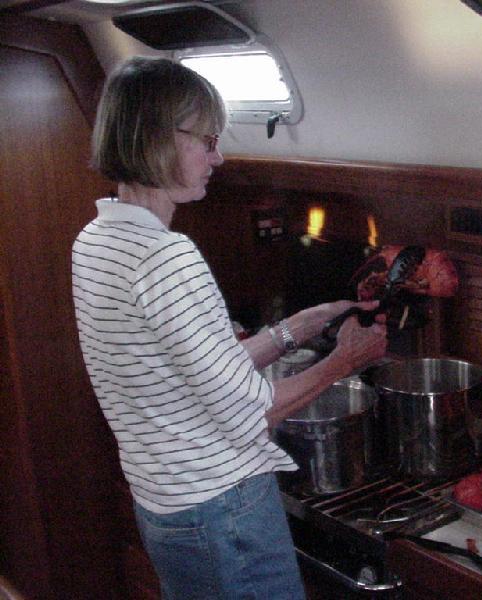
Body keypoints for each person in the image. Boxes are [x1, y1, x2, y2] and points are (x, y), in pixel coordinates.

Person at [71, 56, 387, 600]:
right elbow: (252, 413)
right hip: (223, 511)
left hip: (167, 506)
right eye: (208, 140)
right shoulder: (167, 257)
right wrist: (345, 361)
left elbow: (193, 376)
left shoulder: (96, 240)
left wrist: (293, 329)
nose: (218, 157)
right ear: (158, 139)